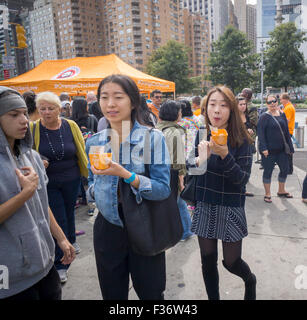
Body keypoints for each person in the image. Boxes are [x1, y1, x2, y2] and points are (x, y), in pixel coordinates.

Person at [86, 74, 171, 300]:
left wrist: (126, 175)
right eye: (104, 97)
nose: (110, 104)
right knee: (112, 295)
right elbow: (90, 185)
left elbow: (163, 188)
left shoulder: (154, 138)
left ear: (133, 101)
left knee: (151, 294)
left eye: (118, 97)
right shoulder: (94, 142)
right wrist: (98, 191)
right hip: (107, 226)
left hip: (144, 225)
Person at [0, 86, 75, 300]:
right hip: (11, 280)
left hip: (45, 264)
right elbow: (30, 196)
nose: (24, 120)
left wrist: (61, 238)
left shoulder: (31, 157)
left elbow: (42, 204)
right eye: (14, 115)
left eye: (24, 113)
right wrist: (24, 194)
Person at [189, 85, 256, 300]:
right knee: (207, 259)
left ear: (232, 110)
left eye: (223, 105)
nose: (217, 110)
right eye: (212, 104)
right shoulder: (201, 134)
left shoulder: (243, 139)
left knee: (231, 262)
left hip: (230, 205)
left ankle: (250, 280)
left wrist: (225, 155)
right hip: (205, 203)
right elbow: (189, 167)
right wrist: (201, 159)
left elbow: (242, 181)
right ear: (206, 108)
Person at [30, 91, 88, 283]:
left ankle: (71, 240)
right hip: (48, 181)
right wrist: (41, 159)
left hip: (72, 178)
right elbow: (27, 153)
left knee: (69, 212)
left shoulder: (70, 125)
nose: (46, 112)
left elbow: (80, 147)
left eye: (51, 108)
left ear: (60, 109)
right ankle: (61, 263)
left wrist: (87, 171)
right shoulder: (33, 128)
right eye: (42, 109)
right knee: (58, 217)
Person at [156, 100, 194, 242]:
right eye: (179, 111)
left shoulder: (156, 128)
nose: (181, 114)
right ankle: (185, 231)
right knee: (179, 202)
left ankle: (182, 230)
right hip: (171, 173)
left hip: (159, 173)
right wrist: (181, 180)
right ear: (175, 113)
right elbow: (177, 160)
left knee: (174, 203)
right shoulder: (174, 132)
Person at [257, 94, 294, 203]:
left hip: (282, 150)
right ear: (267, 104)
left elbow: (286, 133)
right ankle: (267, 193)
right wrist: (263, 148)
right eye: (269, 102)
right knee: (268, 171)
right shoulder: (264, 116)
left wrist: (290, 148)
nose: (272, 103)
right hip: (268, 151)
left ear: (277, 102)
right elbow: (261, 134)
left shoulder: (282, 114)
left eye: (274, 101)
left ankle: (281, 190)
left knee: (285, 169)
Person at [71, 98, 98, 213]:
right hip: (91, 149)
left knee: (80, 176)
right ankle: (91, 206)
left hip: (76, 152)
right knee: (90, 176)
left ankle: (79, 198)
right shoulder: (92, 118)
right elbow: (97, 133)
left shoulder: (70, 121)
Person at [236, 94, 257, 197]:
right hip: (237, 145)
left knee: (247, 167)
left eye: (244, 104)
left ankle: (243, 189)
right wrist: (245, 131)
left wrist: (250, 131)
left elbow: (251, 126)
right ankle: (238, 189)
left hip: (248, 144)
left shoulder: (246, 115)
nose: (243, 106)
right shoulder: (233, 117)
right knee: (238, 168)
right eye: (240, 104)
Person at [280, 92, 296, 175]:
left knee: (288, 150)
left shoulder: (288, 108)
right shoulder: (288, 107)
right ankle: (289, 168)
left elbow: (287, 120)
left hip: (287, 131)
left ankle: (289, 169)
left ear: (285, 99)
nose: (280, 101)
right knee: (287, 149)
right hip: (288, 130)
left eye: (281, 99)